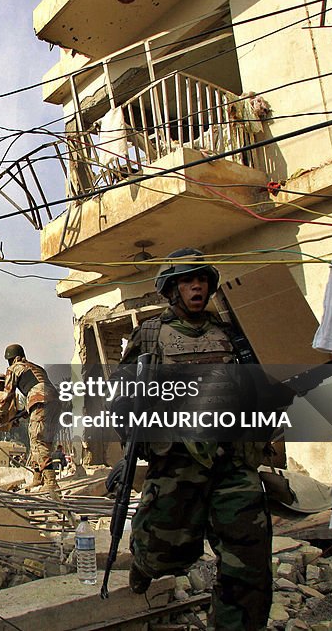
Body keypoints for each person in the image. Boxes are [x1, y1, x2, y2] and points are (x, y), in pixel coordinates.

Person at [119, 247, 272, 630]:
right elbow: (122, 398)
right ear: (173, 289)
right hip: (176, 461)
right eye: (188, 280)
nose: (197, 286)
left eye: (202, 279)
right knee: (163, 552)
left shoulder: (228, 334)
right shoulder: (151, 335)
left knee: (249, 560)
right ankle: (144, 563)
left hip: (231, 463)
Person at [2, 344, 60, 494]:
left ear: (14, 358)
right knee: (42, 439)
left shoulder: (14, 368)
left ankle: (51, 482)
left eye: (9, 360)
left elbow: (7, 395)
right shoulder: (37, 368)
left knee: (38, 440)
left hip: (41, 401)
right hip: (55, 402)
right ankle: (38, 478)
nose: (9, 364)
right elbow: (39, 387)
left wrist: (0, 413)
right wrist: (23, 412)